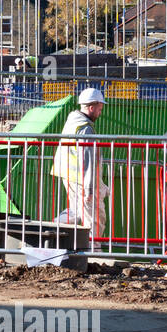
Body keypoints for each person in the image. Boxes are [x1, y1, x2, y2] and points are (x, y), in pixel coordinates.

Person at [52, 87, 108, 234]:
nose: (100, 113)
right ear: (91, 107)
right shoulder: (85, 128)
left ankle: (56, 226)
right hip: (81, 180)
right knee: (95, 216)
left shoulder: (73, 121)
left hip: (70, 176)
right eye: (99, 109)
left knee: (77, 211)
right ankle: (93, 247)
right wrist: (90, 189)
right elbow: (88, 160)